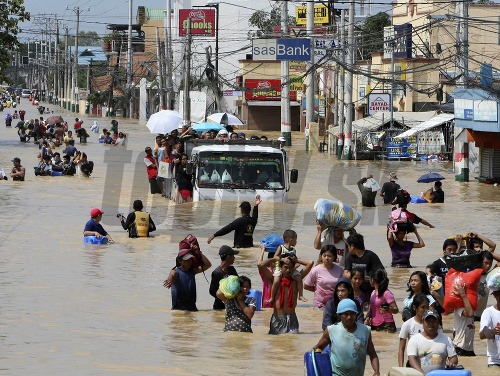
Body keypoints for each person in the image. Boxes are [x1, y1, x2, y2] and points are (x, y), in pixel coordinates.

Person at [313, 299, 380, 376]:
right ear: (340, 315)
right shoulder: (331, 330)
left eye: (352, 314)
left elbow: (372, 353)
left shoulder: (365, 330)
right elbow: (318, 348)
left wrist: (376, 372)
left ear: (356, 314)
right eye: (346, 314)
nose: (349, 317)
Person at [258, 253, 313, 334]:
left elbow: (310, 263)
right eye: (285, 267)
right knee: (276, 345)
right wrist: (278, 259)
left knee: (292, 342)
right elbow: (260, 265)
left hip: (292, 319)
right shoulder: (274, 279)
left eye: (291, 268)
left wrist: (295, 260)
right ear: (280, 267)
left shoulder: (296, 280)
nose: (288, 270)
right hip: (277, 318)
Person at [163, 243, 212, 311]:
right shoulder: (176, 272)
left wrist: (198, 252)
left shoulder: (193, 271)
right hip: (178, 310)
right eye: (186, 260)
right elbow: (172, 273)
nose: (189, 262)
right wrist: (170, 278)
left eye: (190, 259)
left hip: (192, 309)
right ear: (180, 261)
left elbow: (208, 265)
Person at [407, 310, 458, 374]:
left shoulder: (446, 339)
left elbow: (453, 358)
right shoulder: (414, 340)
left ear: (438, 323)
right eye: (428, 321)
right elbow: (412, 360)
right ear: (423, 322)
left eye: (434, 321)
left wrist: (452, 363)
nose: (431, 324)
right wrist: (423, 374)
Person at [269, 230, 308, 305]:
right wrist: (282, 259)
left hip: (291, 269)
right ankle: (272, 297)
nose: (296, 242)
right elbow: (275, 256)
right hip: (279, 267)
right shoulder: (281, 247)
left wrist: (295, 260)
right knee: (276, 281)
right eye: (295, 240)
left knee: (299, 278)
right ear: (291, 239)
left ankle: (300, 295)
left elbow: (295, 260)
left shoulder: (293, 250)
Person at [398, 294, 432, 367]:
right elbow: (401, 349)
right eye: (423, 307)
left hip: (429, 363)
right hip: (413, 364)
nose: (426, 310)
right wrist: (401, 368)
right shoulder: (407, 324)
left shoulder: (432, 325)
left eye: (427, 307)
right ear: (414, 307)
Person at [209, 245, 239, 310]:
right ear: (228, 257)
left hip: (233, 304)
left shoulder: (232, 269)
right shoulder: (216, 273)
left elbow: (238, 284)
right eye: (233, 256)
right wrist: (224, 298)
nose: (234, 258)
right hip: (220, 306)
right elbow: (212, 291)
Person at [452, 282, 476, 356]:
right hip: (460, 348)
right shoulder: (459, 308)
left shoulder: (469, 307)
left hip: (468, 348)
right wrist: (463, 295)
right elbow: (470, 314)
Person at [479, 289, 500, 367]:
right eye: (498, 294)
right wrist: (493, 331)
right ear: (494, 295)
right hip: (495, 360)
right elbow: (481, 335)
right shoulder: (488, 312)